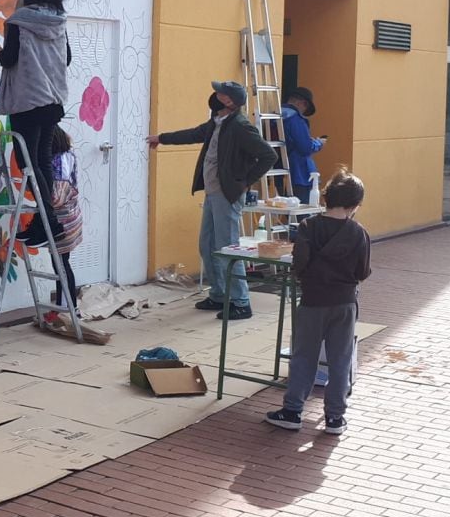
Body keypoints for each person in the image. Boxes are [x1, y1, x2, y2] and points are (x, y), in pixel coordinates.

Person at [146, 81, 276, 320]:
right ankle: (219, 294)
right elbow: (193, 134)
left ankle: (241, 301)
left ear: (229, 101)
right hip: (213, 193)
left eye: (220, 93)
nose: (215, 95)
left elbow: (269, 155)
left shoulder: (240, 126)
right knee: (207, 246)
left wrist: (244, 182)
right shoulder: (218, 123)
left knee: (228, 248)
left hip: (227, 195)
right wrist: (162, 138)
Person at [266, 168, 370, 435]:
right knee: (340, 359)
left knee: (304, 356)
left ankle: (292, 411)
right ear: (355, 205)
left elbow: (300, 264)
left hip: (313, 300)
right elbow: (362, 272)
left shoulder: (308, 227)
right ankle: (335, 416)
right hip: (345, 302)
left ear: (326, 197)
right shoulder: (359, 233)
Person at [0, 0, 71, 249]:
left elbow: (9, 60)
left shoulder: (19, 21)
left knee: (27, 163)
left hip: (27, 103)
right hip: (52, 103)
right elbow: (66, 58)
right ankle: (44, 223)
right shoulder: (59, 23)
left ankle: (48, 222)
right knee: (41, 161)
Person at [50, 126, 83, 314]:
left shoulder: (59, 160)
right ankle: (66, 307)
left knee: (61, 264)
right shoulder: (67, 154)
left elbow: (57, 197)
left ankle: (69, 308)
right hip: (70, 216)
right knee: (61, 263)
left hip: (64, 219)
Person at [281, 87, 326, 204]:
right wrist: (318, 143)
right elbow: (305, 148)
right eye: (305, 107)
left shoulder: (275, 115)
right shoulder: (295, 119)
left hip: (281, 170)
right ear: (302, 103)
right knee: (303, 212)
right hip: (300, 173)